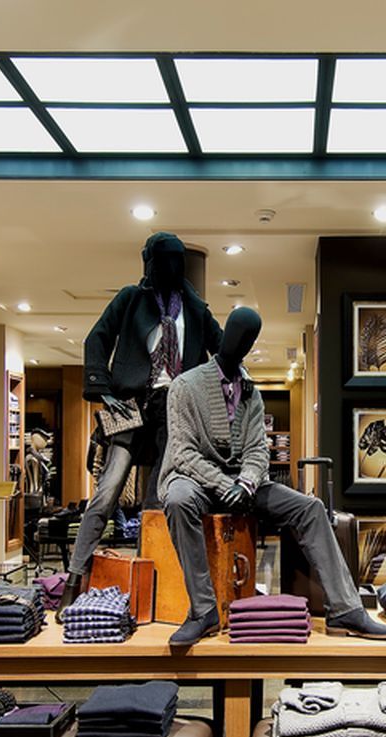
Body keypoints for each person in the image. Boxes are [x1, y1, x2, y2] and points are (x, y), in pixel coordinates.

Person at [160, 307, 386, 645]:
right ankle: (203, 611)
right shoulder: (185, 386)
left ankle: (346, 608)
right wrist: (225, 484)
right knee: (177, 499)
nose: (241, 342)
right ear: (225, 335)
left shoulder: (251, 393)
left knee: (310, 508)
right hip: (195, 479)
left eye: (249, 337)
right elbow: (183, 454)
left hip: (242, 482)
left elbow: (258, 450)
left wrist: (246, 482)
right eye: (237, 332)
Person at [61, 233, 223, 607]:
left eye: (176, 259)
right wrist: (103, 390)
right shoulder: (131, 298)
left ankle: (148, 586)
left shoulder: (193, 307)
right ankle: (74, 580)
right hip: (131, 405)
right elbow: (97, 339)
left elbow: (220, 346)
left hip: (174, 408)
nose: (170, 266)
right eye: (163, 258)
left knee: (156, 498)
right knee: (106, 492)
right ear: (148, 260)